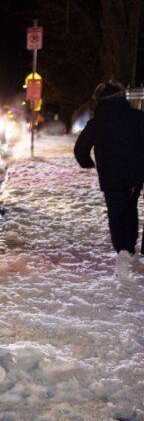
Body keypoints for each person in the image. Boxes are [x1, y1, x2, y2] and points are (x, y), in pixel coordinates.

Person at [74, 80, 144, 278]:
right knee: (130, 207)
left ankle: (121, 248)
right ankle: (129, 245)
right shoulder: (137, 117)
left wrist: (87, 162)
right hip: (134, 174)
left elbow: (80, 148)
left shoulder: (97, 122)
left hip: (110, 175)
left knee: (115, 211)